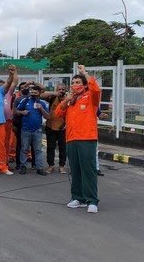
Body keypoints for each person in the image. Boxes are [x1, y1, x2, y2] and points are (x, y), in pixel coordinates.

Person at [55, 65, 101, 214]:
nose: (75, 85)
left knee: (88, 170)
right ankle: (78, 197)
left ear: (84, 85)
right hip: (71, 139)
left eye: (78, 82)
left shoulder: (90, 98)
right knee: (75, 170)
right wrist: (66, 100)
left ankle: (92, 200)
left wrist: (84, 73)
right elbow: (58, 113)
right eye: (73, 83)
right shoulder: (71, 100)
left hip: (87, 138)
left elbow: (96, 89)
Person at [15, 84, 50, 176]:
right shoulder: (25, 100)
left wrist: (41, 109)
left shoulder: (42, 102)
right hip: (25, 129)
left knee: (38, 150)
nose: (33, 93)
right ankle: (23, 166)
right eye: (32, 91)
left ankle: (39, 168)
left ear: (39, 93)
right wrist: (22, 112)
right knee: (24, 149)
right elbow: (16, 111)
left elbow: (48, 116)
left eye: (35, 92)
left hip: (37, 130)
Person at [41, 83, 67, 174]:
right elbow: (41, 96)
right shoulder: (52, 97)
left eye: (63, 89)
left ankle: (61, 166)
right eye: (59, 89)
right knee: (50, 147)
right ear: (56, 90)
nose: (61, 91)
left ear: (65, 90)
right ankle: (51, 165)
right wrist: (53, 93)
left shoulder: (68, 99)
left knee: (63, 148)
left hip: (63, 128)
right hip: (50, 126)